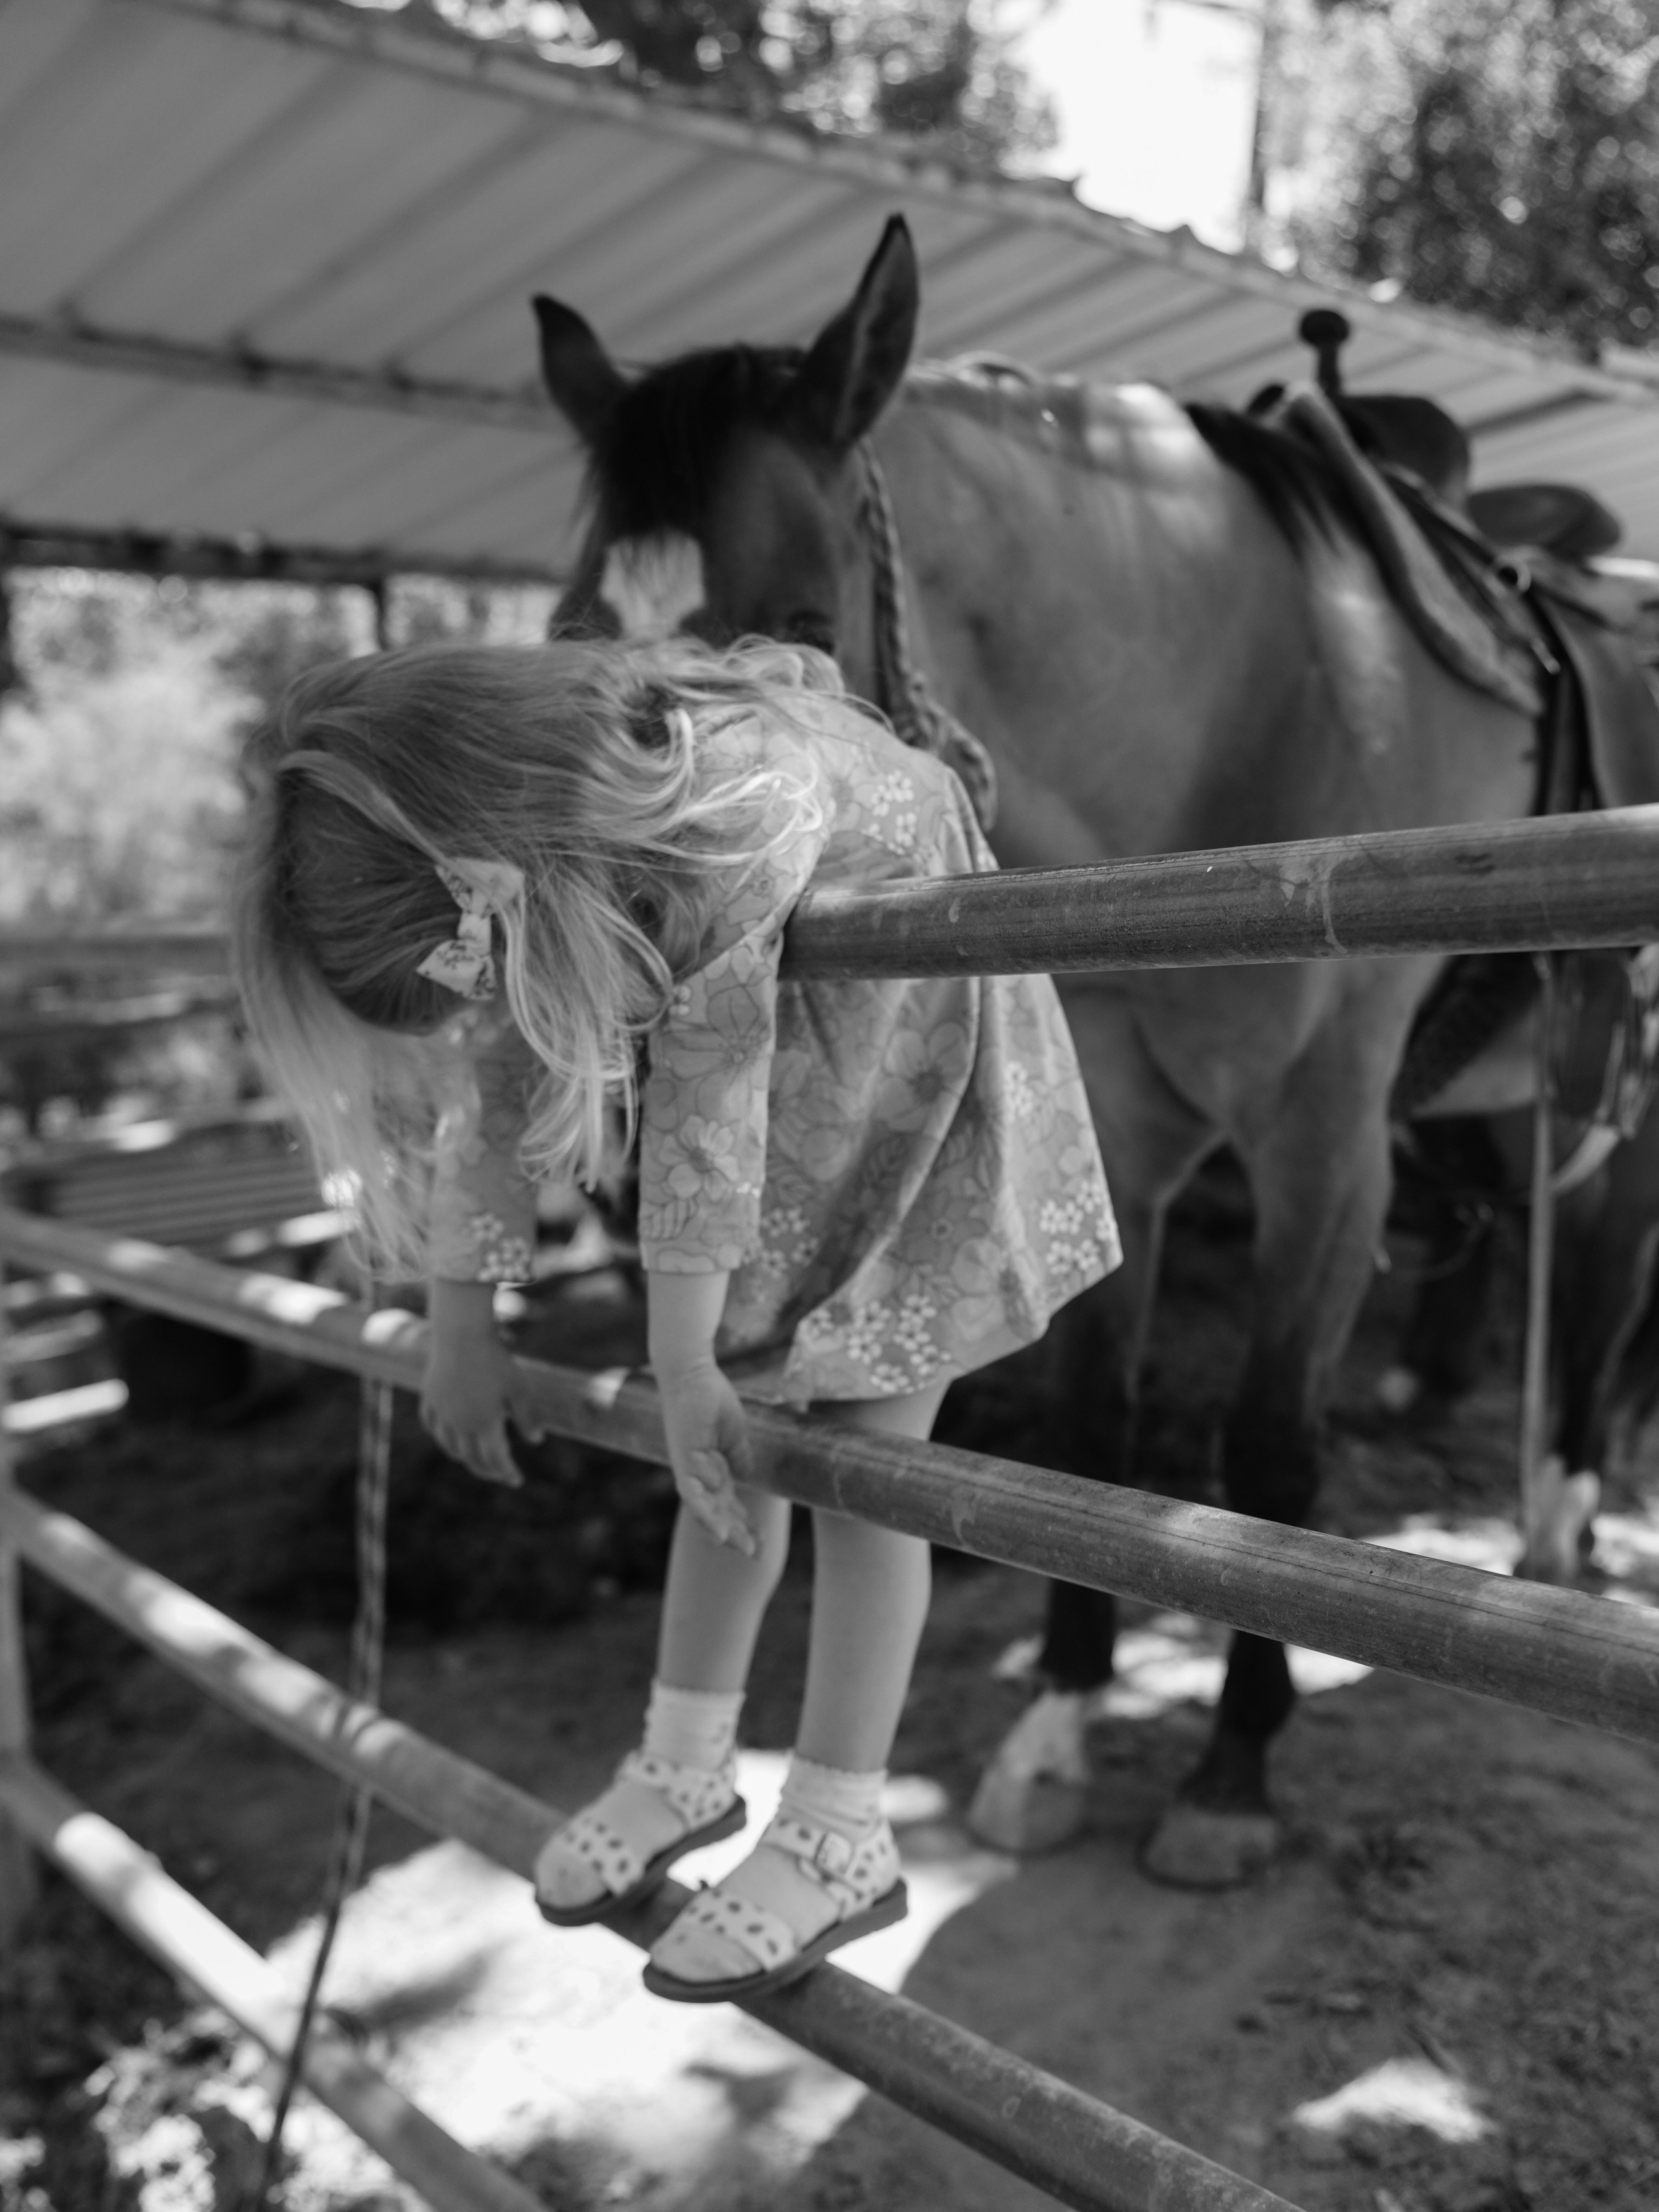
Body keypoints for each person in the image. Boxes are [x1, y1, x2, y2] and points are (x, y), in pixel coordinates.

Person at [234, 634, 1119, 2003]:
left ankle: (835, 1831)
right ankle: (683, 1764)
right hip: (796, 1134)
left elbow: (709, 1088)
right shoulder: (541, 836)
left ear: (485, 884)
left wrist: (680, 1346)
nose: (483, 1001)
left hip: (915, 1108)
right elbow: (502, 1060)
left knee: (862, 1475)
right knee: (719, 1459)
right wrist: (461, 1310)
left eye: (472, 965)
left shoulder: (731, 812)